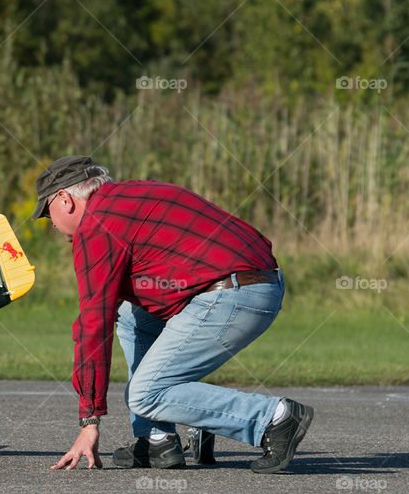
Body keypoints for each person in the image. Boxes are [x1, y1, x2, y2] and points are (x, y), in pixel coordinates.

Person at [33, 155, 313, 473]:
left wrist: (90, 419)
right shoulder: (136, 194)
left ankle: (272, 418)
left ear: (65, 200)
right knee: (129, 315)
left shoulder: (95, 226)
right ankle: (157, 440)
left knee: (145, 394)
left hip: (232, 295)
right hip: (259, 282)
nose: (52, 225)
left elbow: (93, 323)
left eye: (47, 214)